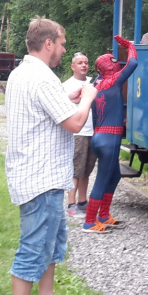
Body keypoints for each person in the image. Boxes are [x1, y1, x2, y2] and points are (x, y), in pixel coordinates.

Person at [5, 17, 97, 295]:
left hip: (40, 175)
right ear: (48, 44)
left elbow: (49, 108)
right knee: (33, 248)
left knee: (51, 244)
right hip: (39, 179)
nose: (64, 49)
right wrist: (87, 97)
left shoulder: (24, 72)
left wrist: (68, 97)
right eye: (62, 43)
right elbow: (74, 122)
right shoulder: (42, 78)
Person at [83, 35, 138, 233]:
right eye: (113, 63)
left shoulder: (96, 84)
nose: (116, 66)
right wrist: (129, 45)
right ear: (109, 67)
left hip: (100, 136)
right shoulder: (113, 81)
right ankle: (90, 221)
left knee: (113, 176)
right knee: (103, 178)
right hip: (110, 138)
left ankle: (104, 215)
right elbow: (133, 63)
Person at [63, 52, 96, 217]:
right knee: (76, 169)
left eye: (86, 62)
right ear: (73, 66)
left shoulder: (93, 83)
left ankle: (83, 201)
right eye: (80, 63)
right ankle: (71, 203)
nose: (84, 65)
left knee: (87, 169)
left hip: (92, 130)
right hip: (78, 132)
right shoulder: (66, 85)